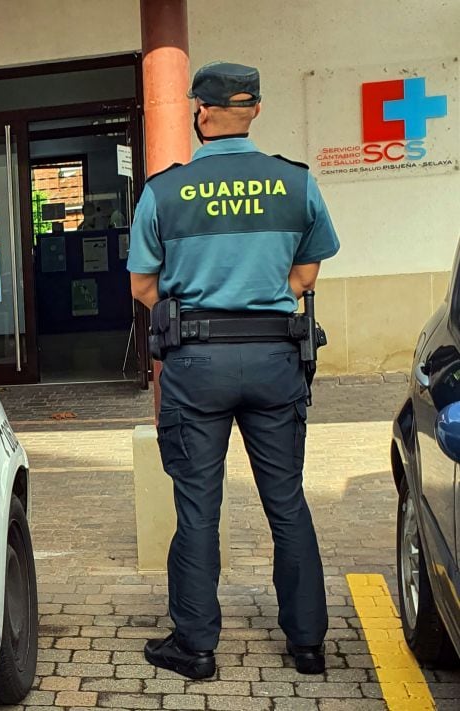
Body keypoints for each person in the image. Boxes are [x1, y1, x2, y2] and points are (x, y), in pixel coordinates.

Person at [127, 62, 340, 680]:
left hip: (196, 364)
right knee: (287, 502)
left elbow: (144, 286)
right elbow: (305, 277)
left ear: (203, 114)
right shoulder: (295, 183)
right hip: (276, 362)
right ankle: (307, 645)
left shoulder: (165, 191)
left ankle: (195, 647)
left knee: (197, 507)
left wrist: (198, 297)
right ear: (255, 110)